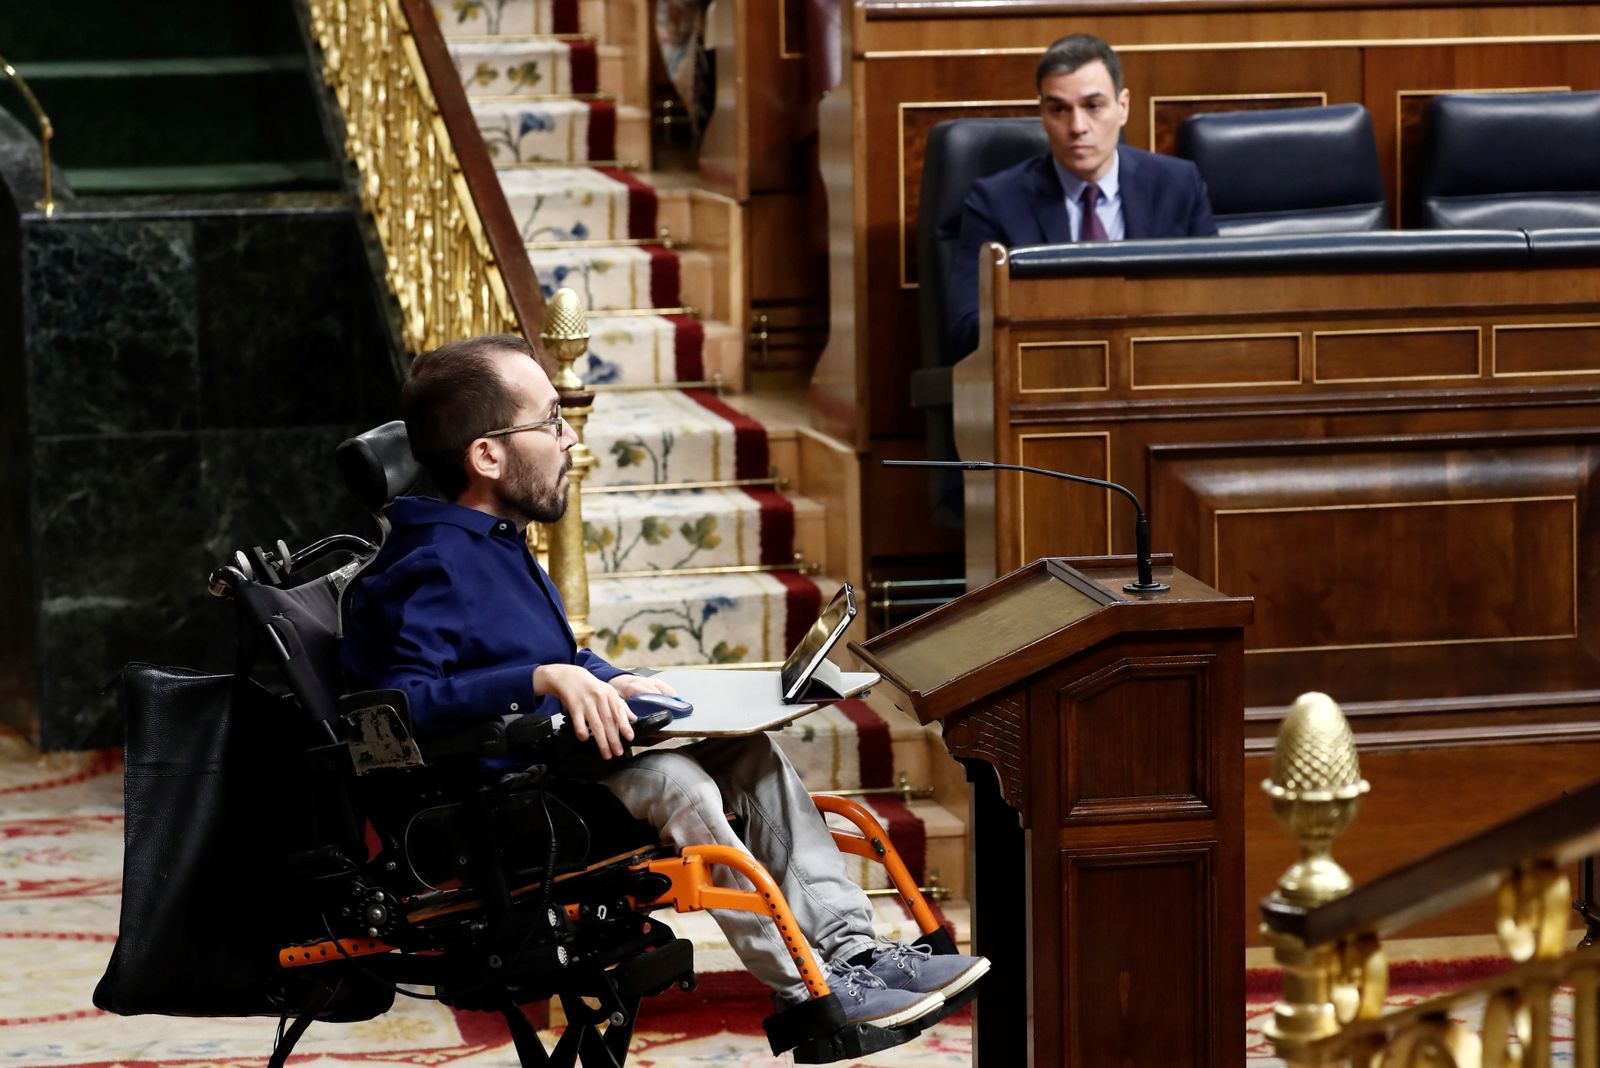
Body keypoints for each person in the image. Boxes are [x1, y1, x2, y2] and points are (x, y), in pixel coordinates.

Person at [340, 333, 989, 1032]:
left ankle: (852, 949)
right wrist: (541, 678)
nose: (569, 439)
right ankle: (814, 992)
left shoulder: (493, 540)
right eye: (551, 420)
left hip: (560, 770)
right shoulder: (427, 564)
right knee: (678, 783)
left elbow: (538, 653)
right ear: (487, 456)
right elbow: (400, 709)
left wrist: (613, 678)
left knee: (749, 753)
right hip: (497, 810)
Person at [946, 33, 1218, 355]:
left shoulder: (1177, 186)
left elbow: (1216, 302)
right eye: (1059, 109)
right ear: (1043, 114)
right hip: (1047, 368)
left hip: (1160, 365)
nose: (1077, 126)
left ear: (1122, 107)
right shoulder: (996, 202)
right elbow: (967, 327)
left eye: (1093, 106)